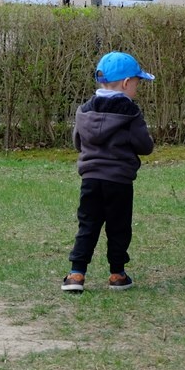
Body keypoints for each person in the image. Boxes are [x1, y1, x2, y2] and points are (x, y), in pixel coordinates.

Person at [62, 51, 155, 293]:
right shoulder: (130, 112)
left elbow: (77, 142)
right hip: (119, 181)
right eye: (137, 83)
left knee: (88, 225)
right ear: (126, 83)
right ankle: (117, 274)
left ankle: (76, 274)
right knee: (118, 227)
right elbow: (144, 146)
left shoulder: (84, 110)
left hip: (91, 179)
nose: (137, 88)